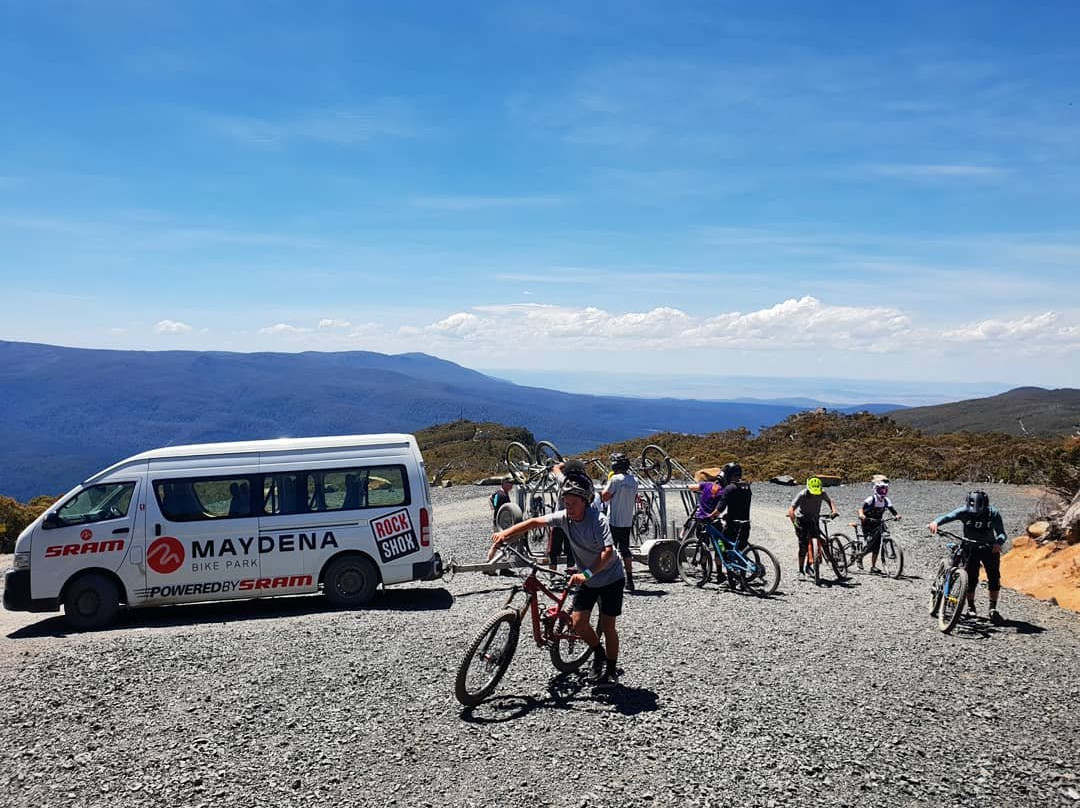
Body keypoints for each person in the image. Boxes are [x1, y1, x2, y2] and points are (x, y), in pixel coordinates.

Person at [490, 460, 625, 686]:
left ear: (585, 502)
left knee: (608, 626)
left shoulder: (597, 520)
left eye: (572, 503)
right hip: (588, 578)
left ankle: (610, 668)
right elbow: (533, 522)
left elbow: (607, 552)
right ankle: (598, 653)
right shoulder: (564, 517)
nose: (567, 507)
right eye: (565, 502)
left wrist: (586, 575)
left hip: (610, 577)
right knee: (579, 624)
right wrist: (505, 535)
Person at [928, 490, 1007, 625]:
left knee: (994, 577)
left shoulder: (993, 513)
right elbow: (948, 517)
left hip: (989, 548)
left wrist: (998, 543)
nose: (975, 513)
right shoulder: (963, 511)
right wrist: (936, 522)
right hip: (970, 548)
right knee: (971, 578)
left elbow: (1002, 533)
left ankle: (993, 608)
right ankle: (971, 606)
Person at [787, 476, 839, 580]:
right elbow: (791, 509)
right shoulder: (802, 494)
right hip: (802, 521)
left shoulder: (822, 493)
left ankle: (809, 565)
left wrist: (833, 510)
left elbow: (830, 501)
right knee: (803, 546)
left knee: (816, 540)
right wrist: (795, 523)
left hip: (814, 520)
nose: (815, 494)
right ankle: (801, 570)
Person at [601, 452, 639, 592]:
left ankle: (609, 579)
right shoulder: (634, 480)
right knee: (625, 550)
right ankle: (630, 580)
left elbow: (605, 497)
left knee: (609, 550)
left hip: (614, 520)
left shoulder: (615, 479)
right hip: (627, 520)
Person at [854, 480, 901, 574]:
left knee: (877, 546)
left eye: (885, 490)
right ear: (876, 490)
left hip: (878, 523)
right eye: (881, 490)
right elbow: (860, 509)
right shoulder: (871, 499)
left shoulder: (886, 500)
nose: (883, 492)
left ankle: (873, 567)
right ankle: (860, 557)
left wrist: (897, 515)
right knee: (870, 543)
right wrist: (862, 515)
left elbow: (892, 510)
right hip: (868, 524)